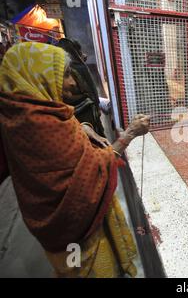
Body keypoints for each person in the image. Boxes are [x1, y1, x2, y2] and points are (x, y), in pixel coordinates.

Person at [0, 42, 151, 278]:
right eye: (66, 75)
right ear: (40, 77)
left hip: (49, 230)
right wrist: (129, 134)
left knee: (68, 268)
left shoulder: (20, 115)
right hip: (77, 231)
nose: (73, 82)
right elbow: (91, 174)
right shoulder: (45, 127)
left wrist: (80, 127)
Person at [57, 38, 106, 137]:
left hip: (80, 111)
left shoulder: (73, 66)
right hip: (84, 110)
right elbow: (92, 89)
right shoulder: (78, 66)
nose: (72, 82)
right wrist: (96, 106)